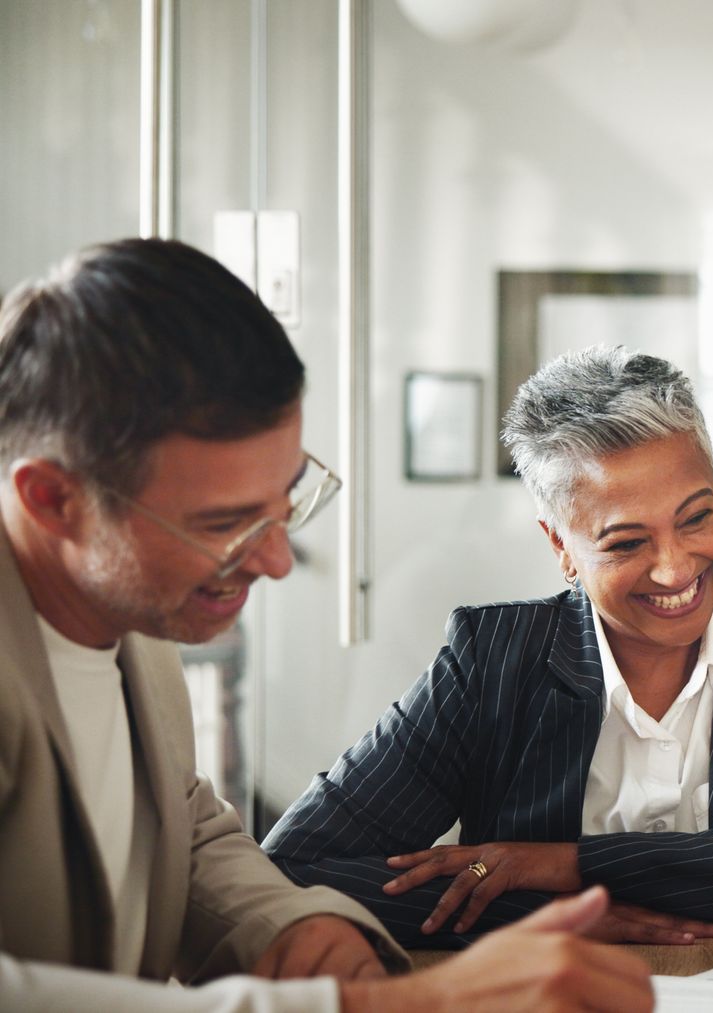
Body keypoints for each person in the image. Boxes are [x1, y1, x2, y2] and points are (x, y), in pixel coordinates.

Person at [0, 239, 655, 1010]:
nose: (277, 560)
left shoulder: (133, 617)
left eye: (287, 501)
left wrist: (296, 929)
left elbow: (178, 820)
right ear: (52, 499)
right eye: (227, 524)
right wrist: (379, 1006)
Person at [264, 347, 713, 947]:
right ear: (560, 545)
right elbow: (294, 871)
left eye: (697, 517)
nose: (675, 569)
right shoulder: (494, 661)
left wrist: (565, 865)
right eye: (625, 543)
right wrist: (544, 914)